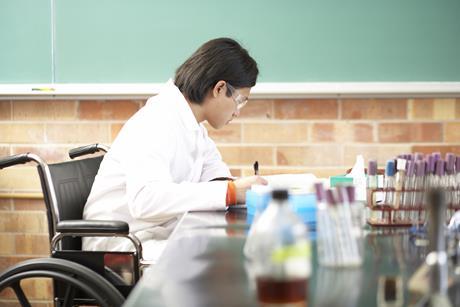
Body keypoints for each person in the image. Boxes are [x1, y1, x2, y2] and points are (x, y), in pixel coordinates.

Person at [83, 38, 268, 262]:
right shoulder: (157, 120)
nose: (237, 112)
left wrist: (238, 188)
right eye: (239, 101)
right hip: (122, 245)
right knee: (217, 261)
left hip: (158, 234)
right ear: (219, 89)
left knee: (225, 253)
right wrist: (230, 192)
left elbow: (217, 179)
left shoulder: (194, 127)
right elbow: (145, 200)